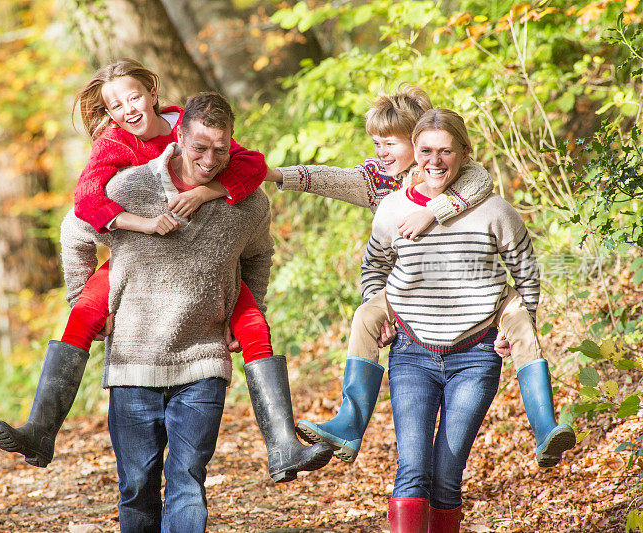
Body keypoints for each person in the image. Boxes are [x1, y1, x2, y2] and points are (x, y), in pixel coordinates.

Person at [0, 60, 331, 481]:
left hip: (209, 261)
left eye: (134, 97)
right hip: (140, 258)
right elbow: (85, 207)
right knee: (81, 315)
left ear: (152, 92)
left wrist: (207, 192)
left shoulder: (185, 125)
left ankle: (282, 446)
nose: (129, 110)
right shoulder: (113, 144)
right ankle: (41, 429)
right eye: (116, 105)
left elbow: (252, 167)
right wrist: (140, 226)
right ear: (108, 113)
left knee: (256, 328)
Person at [58, 92, 332, 532]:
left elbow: (260, 256)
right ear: (179, 135)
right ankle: (42, 425)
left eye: (220, 150)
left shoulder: (248, 203)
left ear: (231, 144)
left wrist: (250, 310)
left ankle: (282, 445)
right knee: (137, 487)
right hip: (133, 363)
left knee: (187, 481)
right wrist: (82, 298)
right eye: (200, 147)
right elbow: (74, 231)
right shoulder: (130, 188)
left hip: (204, 361)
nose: (209, 159)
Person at [362, 108, 574, 532]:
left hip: (475, 356)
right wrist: (379, 310)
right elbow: (373, 268)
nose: (434, 162)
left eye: (445, 152)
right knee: (413, 469)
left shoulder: (495, 211)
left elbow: (526, 272)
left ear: (463, 153)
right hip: (411, 354)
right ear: (414, 152)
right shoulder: (391, 209)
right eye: (425, 151)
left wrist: (519, 324)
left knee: (446, 475)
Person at [265, 86, 494, 462]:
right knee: (364, 318)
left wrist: (433, 211)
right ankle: (349, 424)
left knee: (447, 458)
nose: (380, 152)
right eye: (376, 143)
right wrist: (274, 173)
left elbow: (480, 181)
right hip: (408, 300)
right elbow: (332, 179)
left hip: (462, 308)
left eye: (389, 143)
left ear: (419, 140)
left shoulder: (455, 175)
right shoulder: (382, 181)